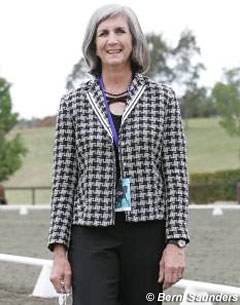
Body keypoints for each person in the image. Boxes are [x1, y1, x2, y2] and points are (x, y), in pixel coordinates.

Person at [48, 4, 190, 305]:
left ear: (134, 40)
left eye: (120, 31)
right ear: (94, 45)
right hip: (90, 233)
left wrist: (175, 242)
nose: (112, 40)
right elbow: (63, 182)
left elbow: (176, 178)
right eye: (103, 33)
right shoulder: (73, 103)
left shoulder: (163, 99)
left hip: (147, 232)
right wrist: (59, 252)